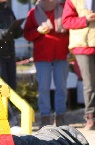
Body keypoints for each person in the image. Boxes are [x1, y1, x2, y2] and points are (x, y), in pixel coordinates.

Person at [62, 0, 95, 130]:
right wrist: (85, 20)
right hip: (82, 45)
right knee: (89, 84)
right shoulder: (72, 1)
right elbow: (66, 21)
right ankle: (90, 117)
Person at [24, 0, 70, 128]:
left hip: (61, 54)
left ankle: (60, 116)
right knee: (43, 87)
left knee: (61, 86)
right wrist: (38, 31)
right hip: (42, 56)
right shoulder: (33, 12)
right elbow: (27, 34)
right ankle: (45, 117)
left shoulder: (63, 9)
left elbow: (70, 29)